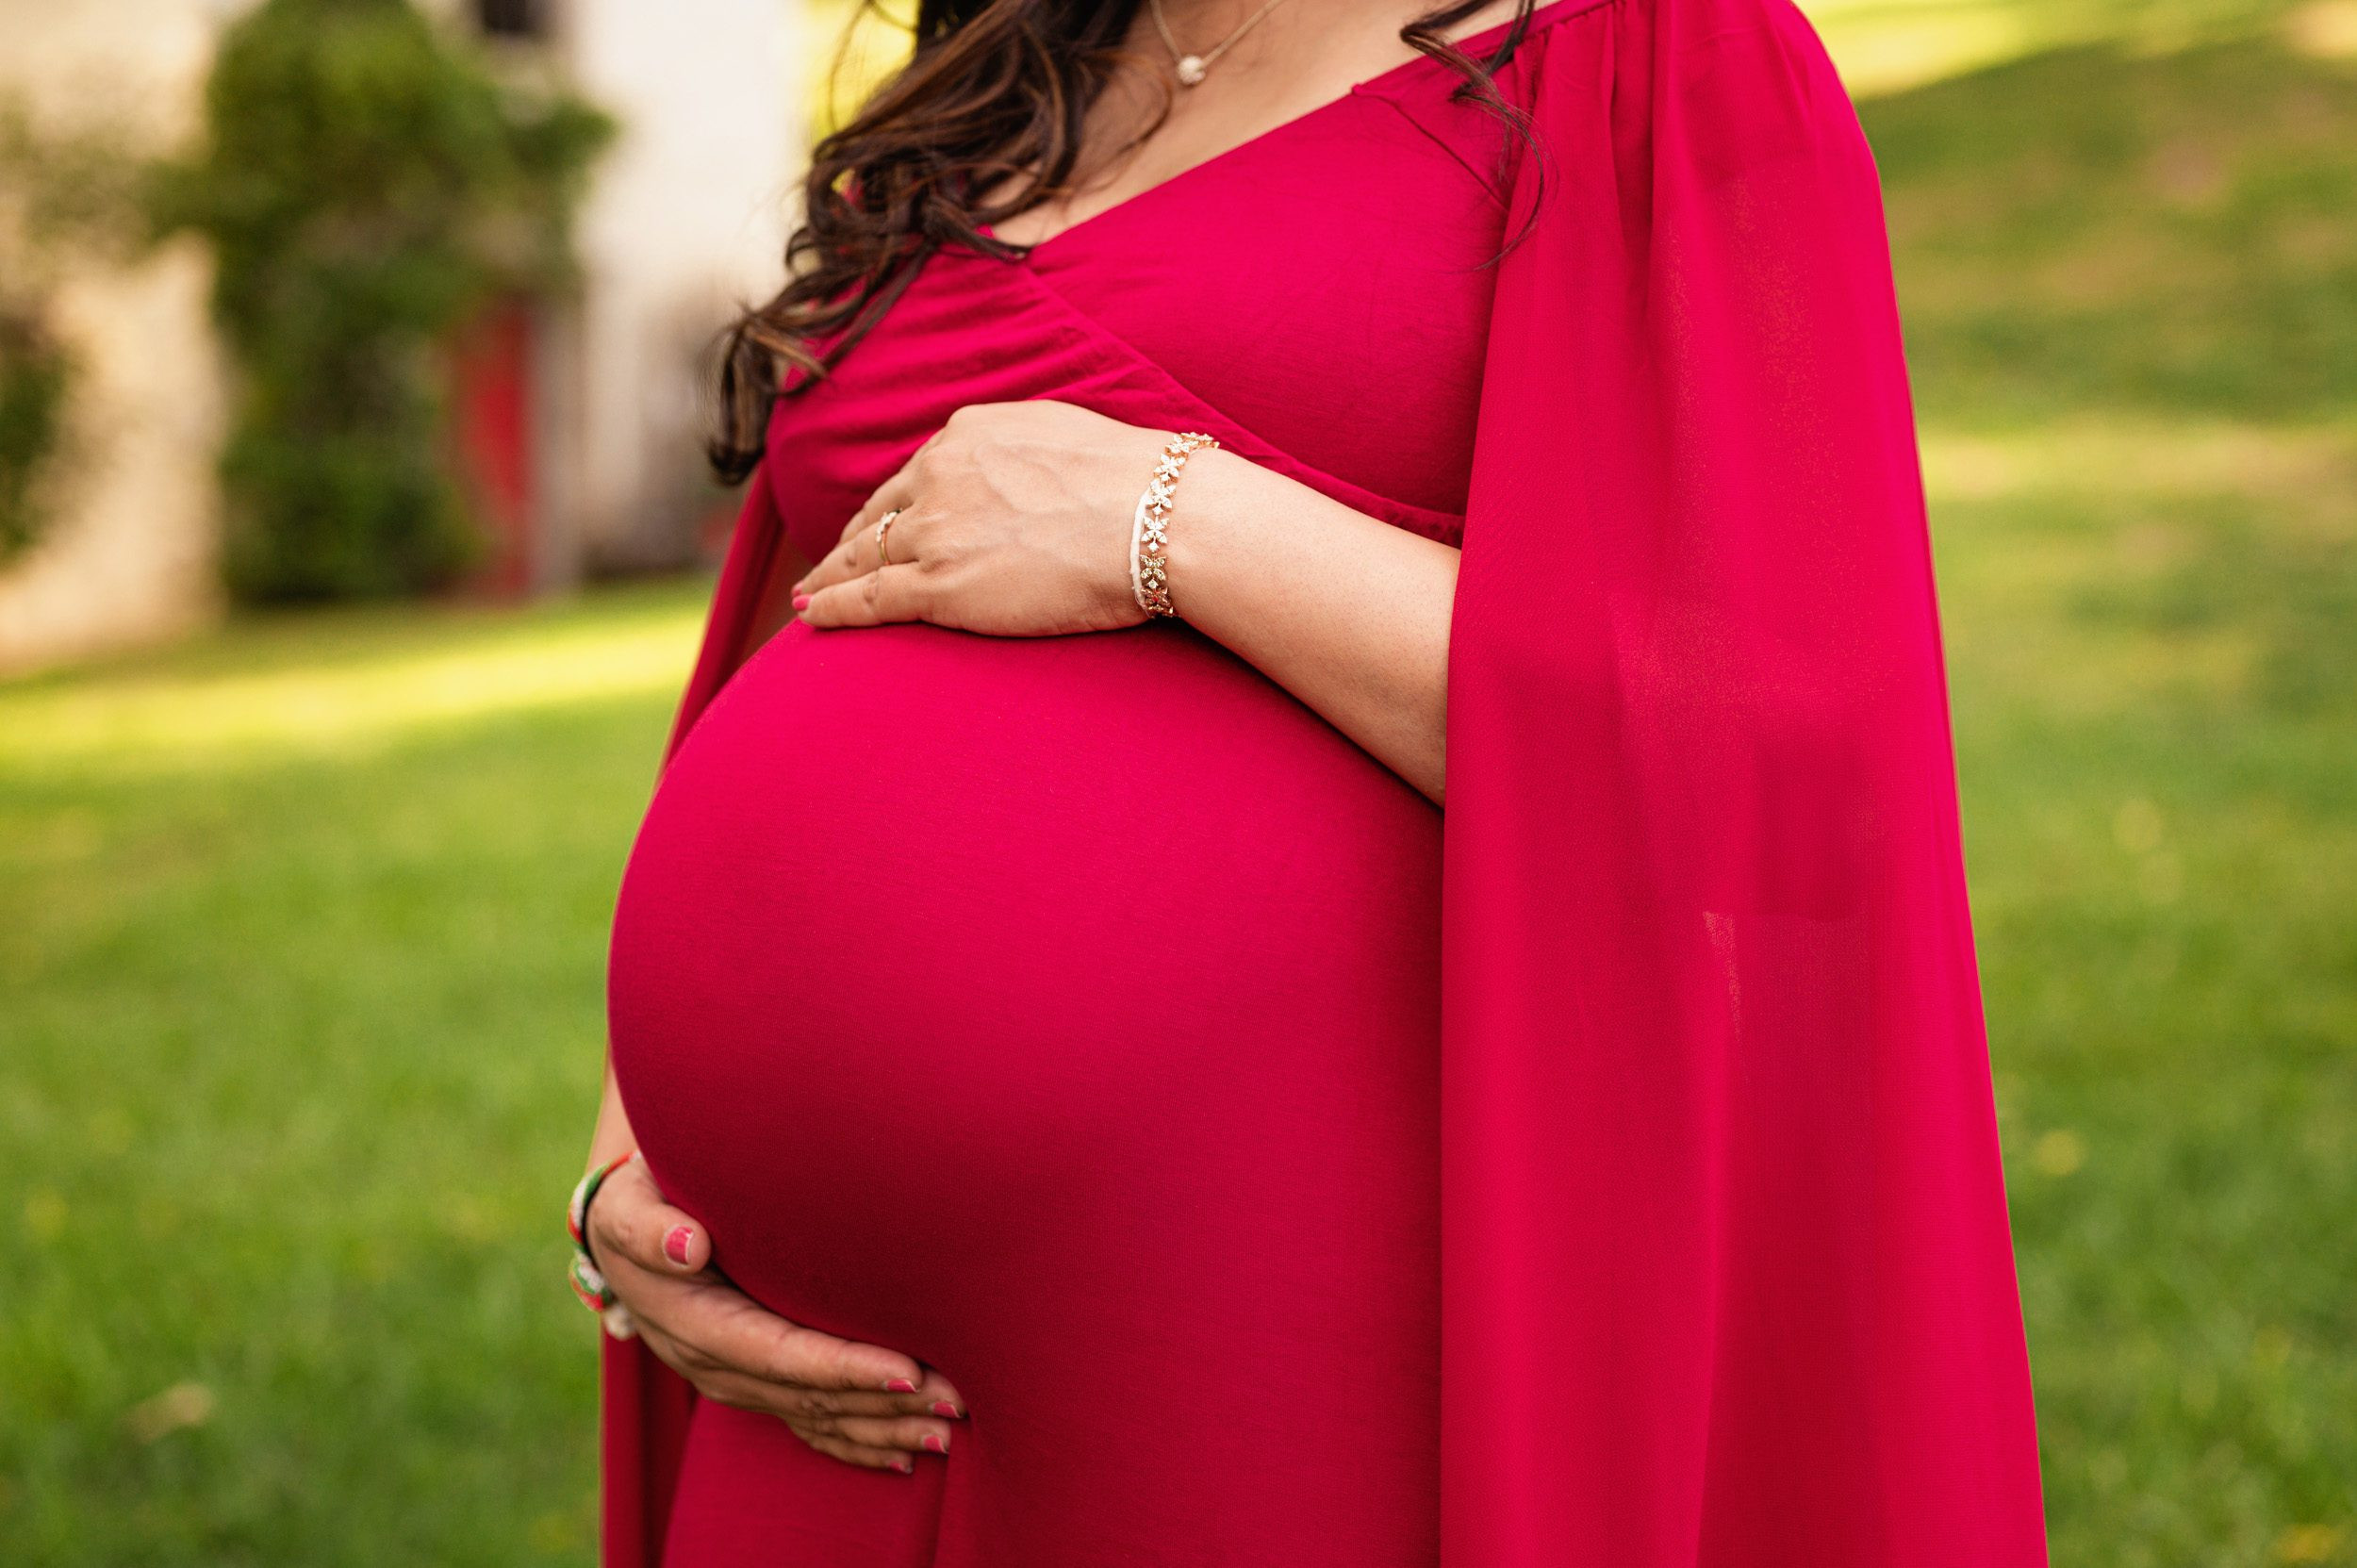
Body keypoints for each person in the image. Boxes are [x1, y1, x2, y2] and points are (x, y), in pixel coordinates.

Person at [570, 1, 2052, 1563]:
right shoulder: (990, 82)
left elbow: (1781, 760)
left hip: (1261, 1329)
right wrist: (627, 1181)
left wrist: (1167, 518)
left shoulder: (1660, 53)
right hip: (808, 1387)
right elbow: (810, 609)